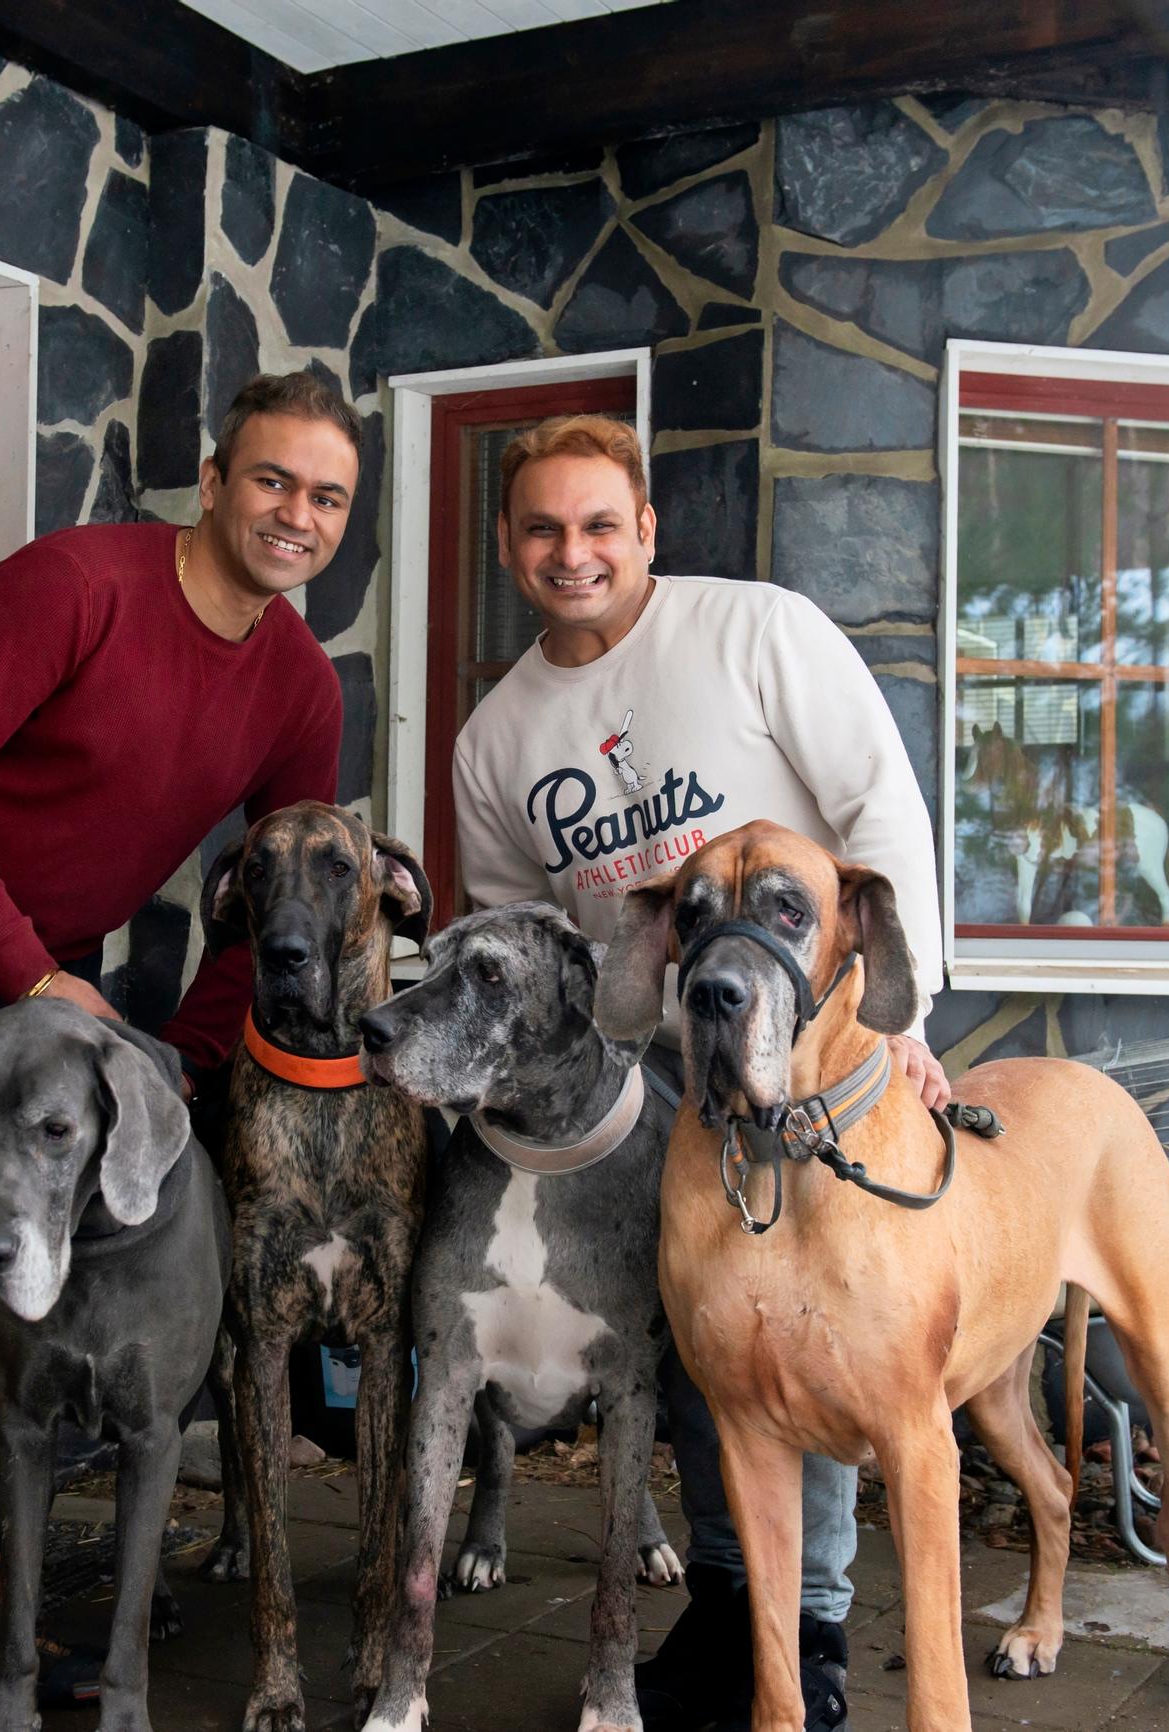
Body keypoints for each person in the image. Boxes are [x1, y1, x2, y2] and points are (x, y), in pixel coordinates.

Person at [0, 372, 360, 1732]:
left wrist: (193, 1053)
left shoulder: (296, 687)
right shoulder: (71, 586)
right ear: (216, 478)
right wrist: (36, 976)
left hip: (49, 965)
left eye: (327, 497)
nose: (295, 514)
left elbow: (273, 896)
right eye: (273, 480)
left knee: (27, 1295)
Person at [451, 414, 949, 1732]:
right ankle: (736, 1606)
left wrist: (905, 1019)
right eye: (545, 529)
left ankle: (821, 1629)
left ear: (645, 531)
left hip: (808, 1049)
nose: (575, 553)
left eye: (600, 524)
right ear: (510, 545)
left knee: (821, 1326)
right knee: (697, 1351)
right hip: (642, 1067)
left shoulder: (758, 633)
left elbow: (879, 813)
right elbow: (531, 945)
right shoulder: (495, 739)